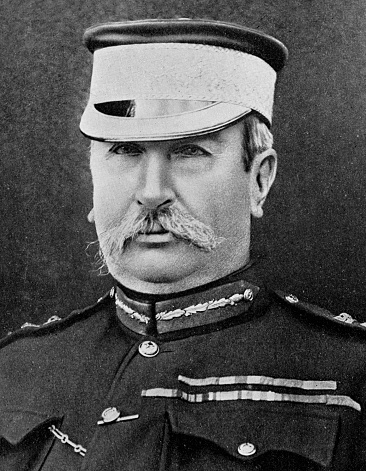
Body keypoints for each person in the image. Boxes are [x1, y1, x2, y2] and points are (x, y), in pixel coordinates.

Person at [1, 18, 366, 471]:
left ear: (258, 179)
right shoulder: (14, 368)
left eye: (190, 151)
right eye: (124, 151)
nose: (152, 191)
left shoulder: (350, 376)